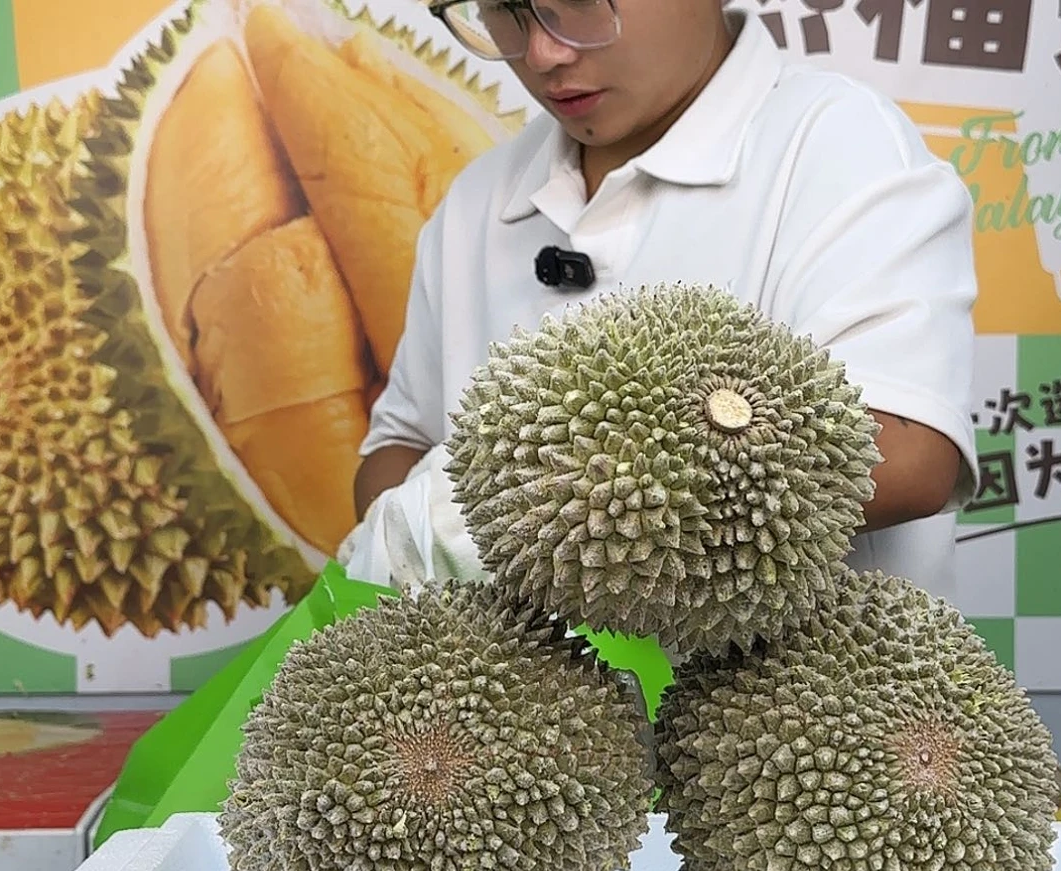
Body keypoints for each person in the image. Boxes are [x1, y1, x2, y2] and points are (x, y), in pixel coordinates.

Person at [345, 0, 980, 603]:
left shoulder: (841, 146)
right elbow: (399, 446)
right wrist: (410, 531)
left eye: (582, 3)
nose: (542, 53)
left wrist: (526, 512)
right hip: (532, 711)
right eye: (504, 11)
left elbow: (910, 452)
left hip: (797, 710)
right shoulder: (475, 201)